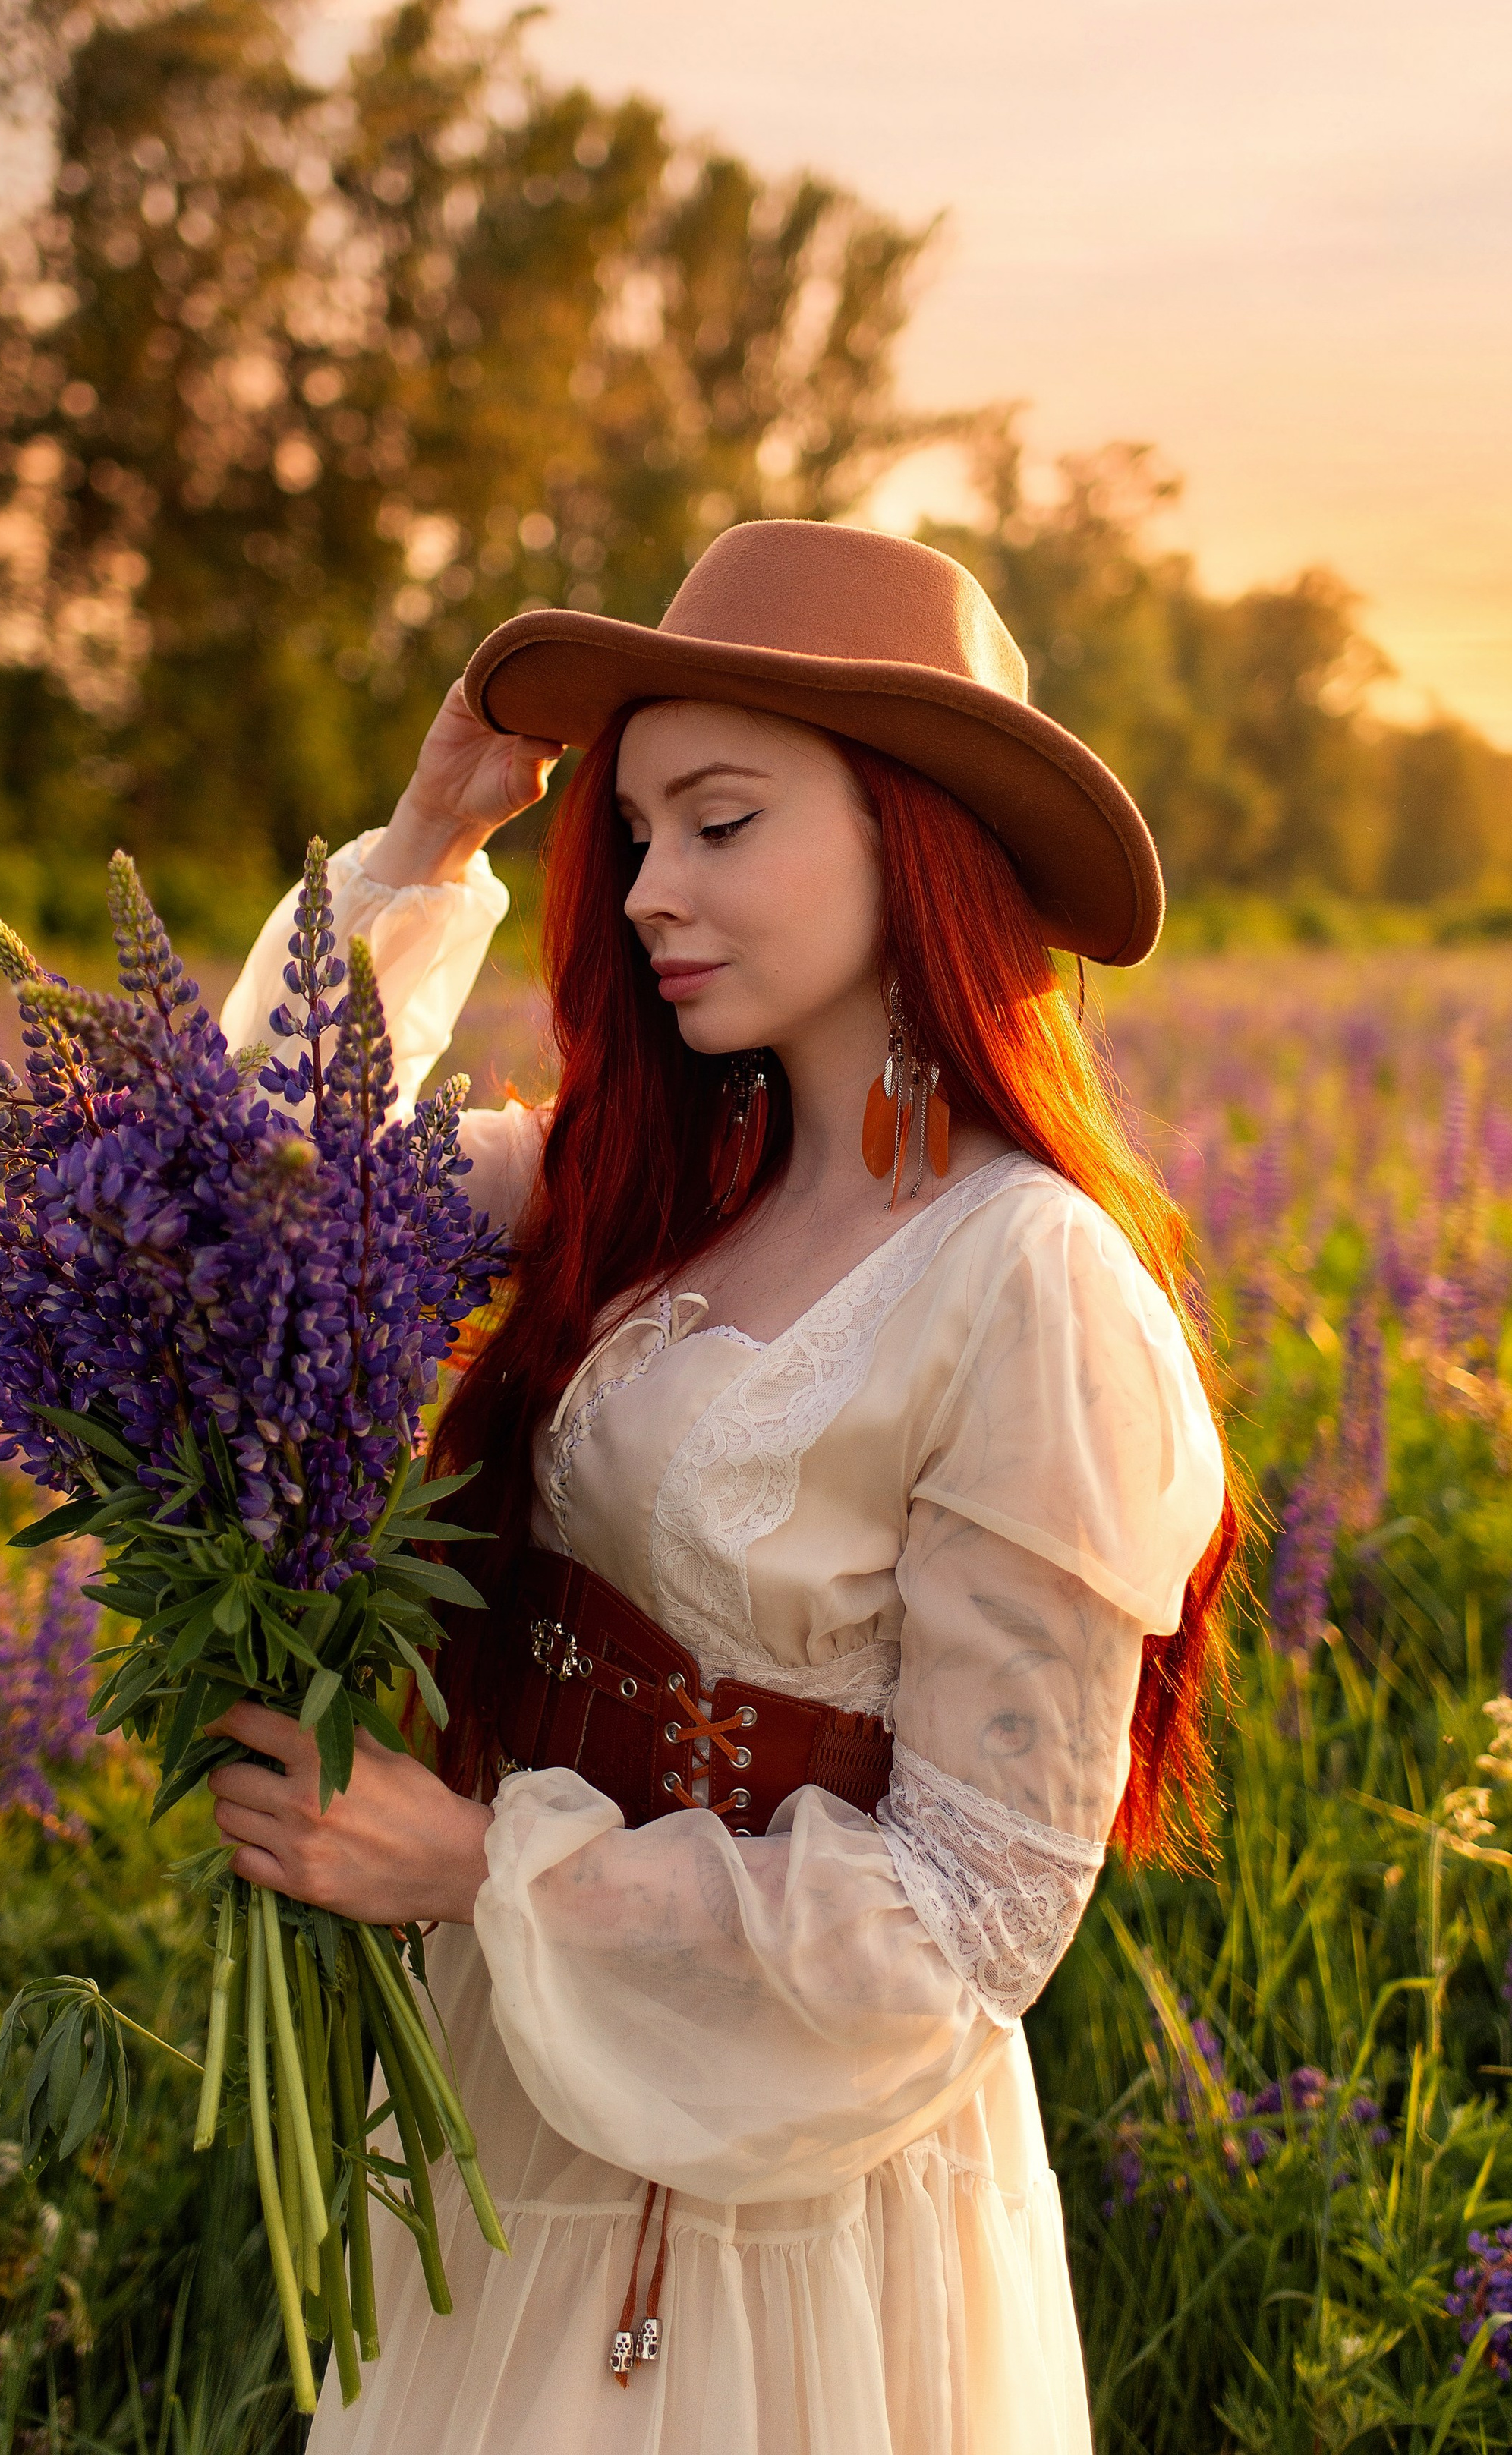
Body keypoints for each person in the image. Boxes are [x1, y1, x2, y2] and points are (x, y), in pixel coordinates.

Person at [206, 519, 1233, 2454]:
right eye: (640, 832)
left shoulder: (1030, 1279)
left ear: (909, 833)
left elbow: (972, 1917)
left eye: (720, 822)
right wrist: (432, 834)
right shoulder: (647, 1179)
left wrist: (485, 1863)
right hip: (521, 2073)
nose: (652, 887)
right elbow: (243, 1205)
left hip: (786, 2193)